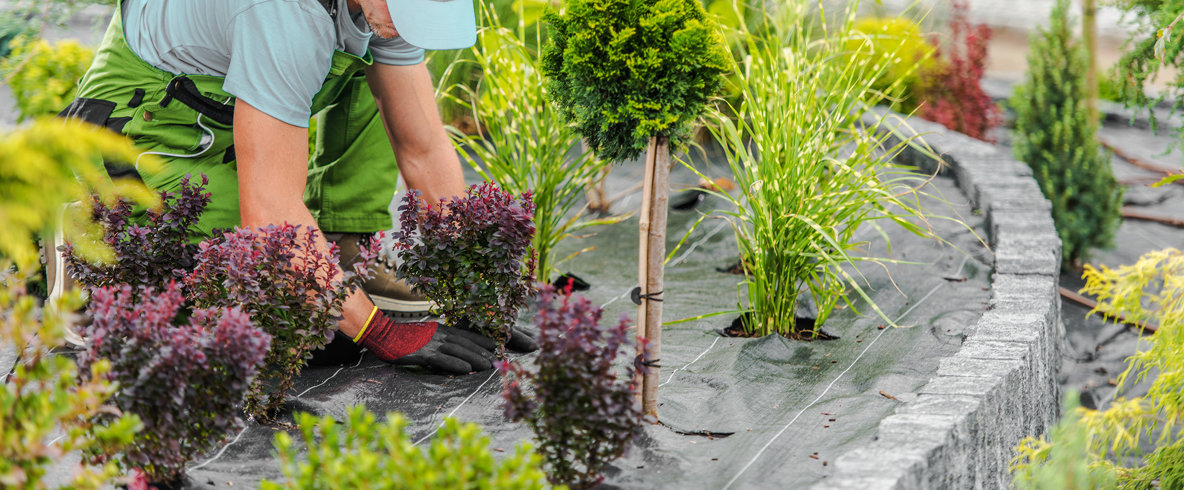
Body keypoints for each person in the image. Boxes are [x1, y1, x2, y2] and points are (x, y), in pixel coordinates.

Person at [55, 0, 535, 373]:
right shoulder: (283, 14)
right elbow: (270, 212)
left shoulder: (383, 10)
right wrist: (380, 331)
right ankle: (84, 230)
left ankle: (342, 244)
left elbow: (423, 149)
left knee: (379, 66)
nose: (409, 24)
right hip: (148, 123)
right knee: (272, 330)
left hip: (230, 105)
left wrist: (473, 287)